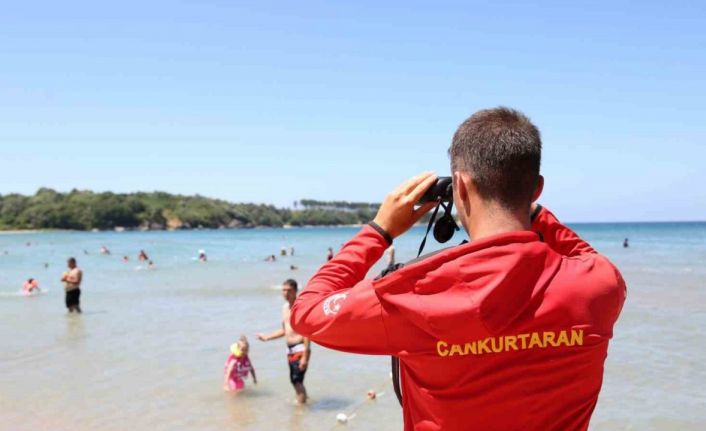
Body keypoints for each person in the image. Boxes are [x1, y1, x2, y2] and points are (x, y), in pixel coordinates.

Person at [290, 107, 626, 430]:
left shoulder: (412, 296)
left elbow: (306, 312)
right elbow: (584, 254)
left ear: (460, 186)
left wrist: (379, 231)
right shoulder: (599, 286)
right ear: (537, 188)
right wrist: (533, 211)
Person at [257, 279, 311, 404]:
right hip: (290, 350)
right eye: (284, 290)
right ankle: (303, 403)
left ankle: (300, 408)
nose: (286, 293)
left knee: (297, 381)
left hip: (300, 348)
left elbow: (306, 331)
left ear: (295, 291)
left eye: (289, 290)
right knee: (295, 381)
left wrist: (305, 355)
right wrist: (267, 337)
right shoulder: (285, 308)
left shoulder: (300, 308)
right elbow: (285, 330)